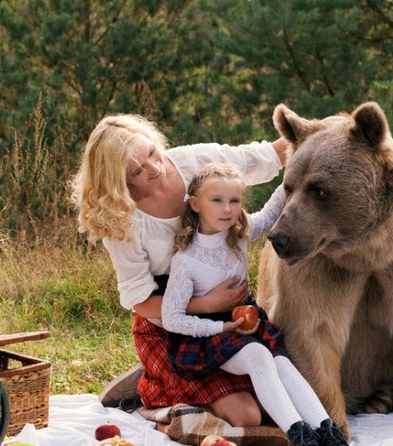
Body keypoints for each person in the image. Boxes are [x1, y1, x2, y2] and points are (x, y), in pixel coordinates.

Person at [72, 113, 288, 427]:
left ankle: (160, 379)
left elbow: (262, 157)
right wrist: (207, 304)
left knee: (280, 398)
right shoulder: (121, 219)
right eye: (139, 170)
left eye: (151, 152)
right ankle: (156, 390)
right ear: (119, 181)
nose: (156, 168)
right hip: (170, 327)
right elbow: (141, 301)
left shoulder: (193, 161)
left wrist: (321, 131)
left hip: (229, 317)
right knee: (248, 416)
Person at [160, 163, 360, 446]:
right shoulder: (186, 260)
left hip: (247, 321)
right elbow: (172, 318)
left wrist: (297, 169)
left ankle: (328, 433)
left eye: (235, 201)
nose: (228, 210)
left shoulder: (237, 236)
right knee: (257, 355)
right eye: (217, 200)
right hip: (209, 335)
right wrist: (223, 325)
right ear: (196, 203)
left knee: (281, 362)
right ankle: (301, 440)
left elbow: (268, 215)